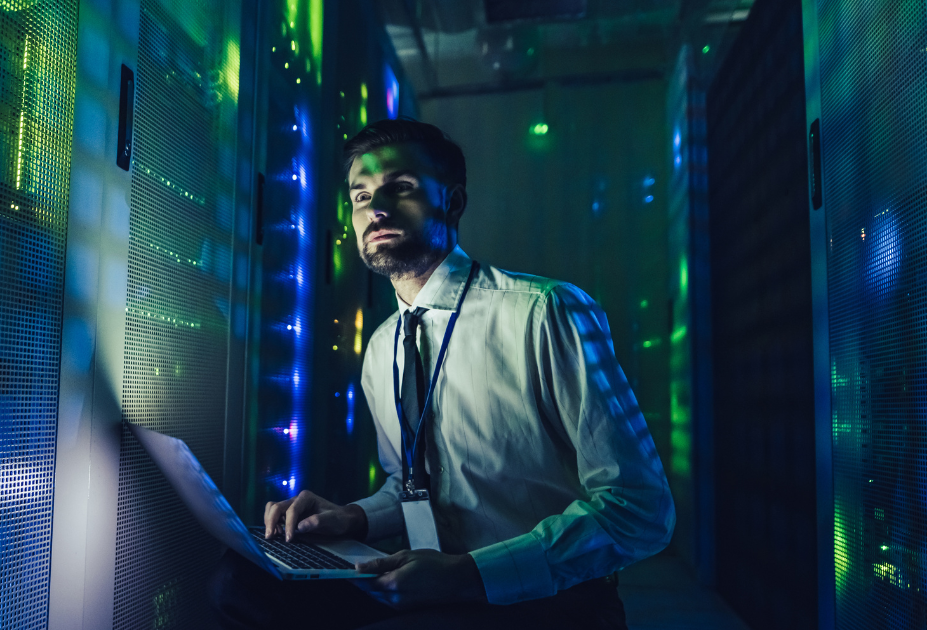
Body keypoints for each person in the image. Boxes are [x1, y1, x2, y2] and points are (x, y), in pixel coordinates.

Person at [209, 118, 675, 629]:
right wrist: (354, 517)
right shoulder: (383, 344)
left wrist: (467, 574)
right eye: (361, 196)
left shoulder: (545, 312)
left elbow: (640, 510)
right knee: (241, 580)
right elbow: (411, 485)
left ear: (452, 202)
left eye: (400, 188)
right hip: (432, 586)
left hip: (545, 597)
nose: (376, 209)